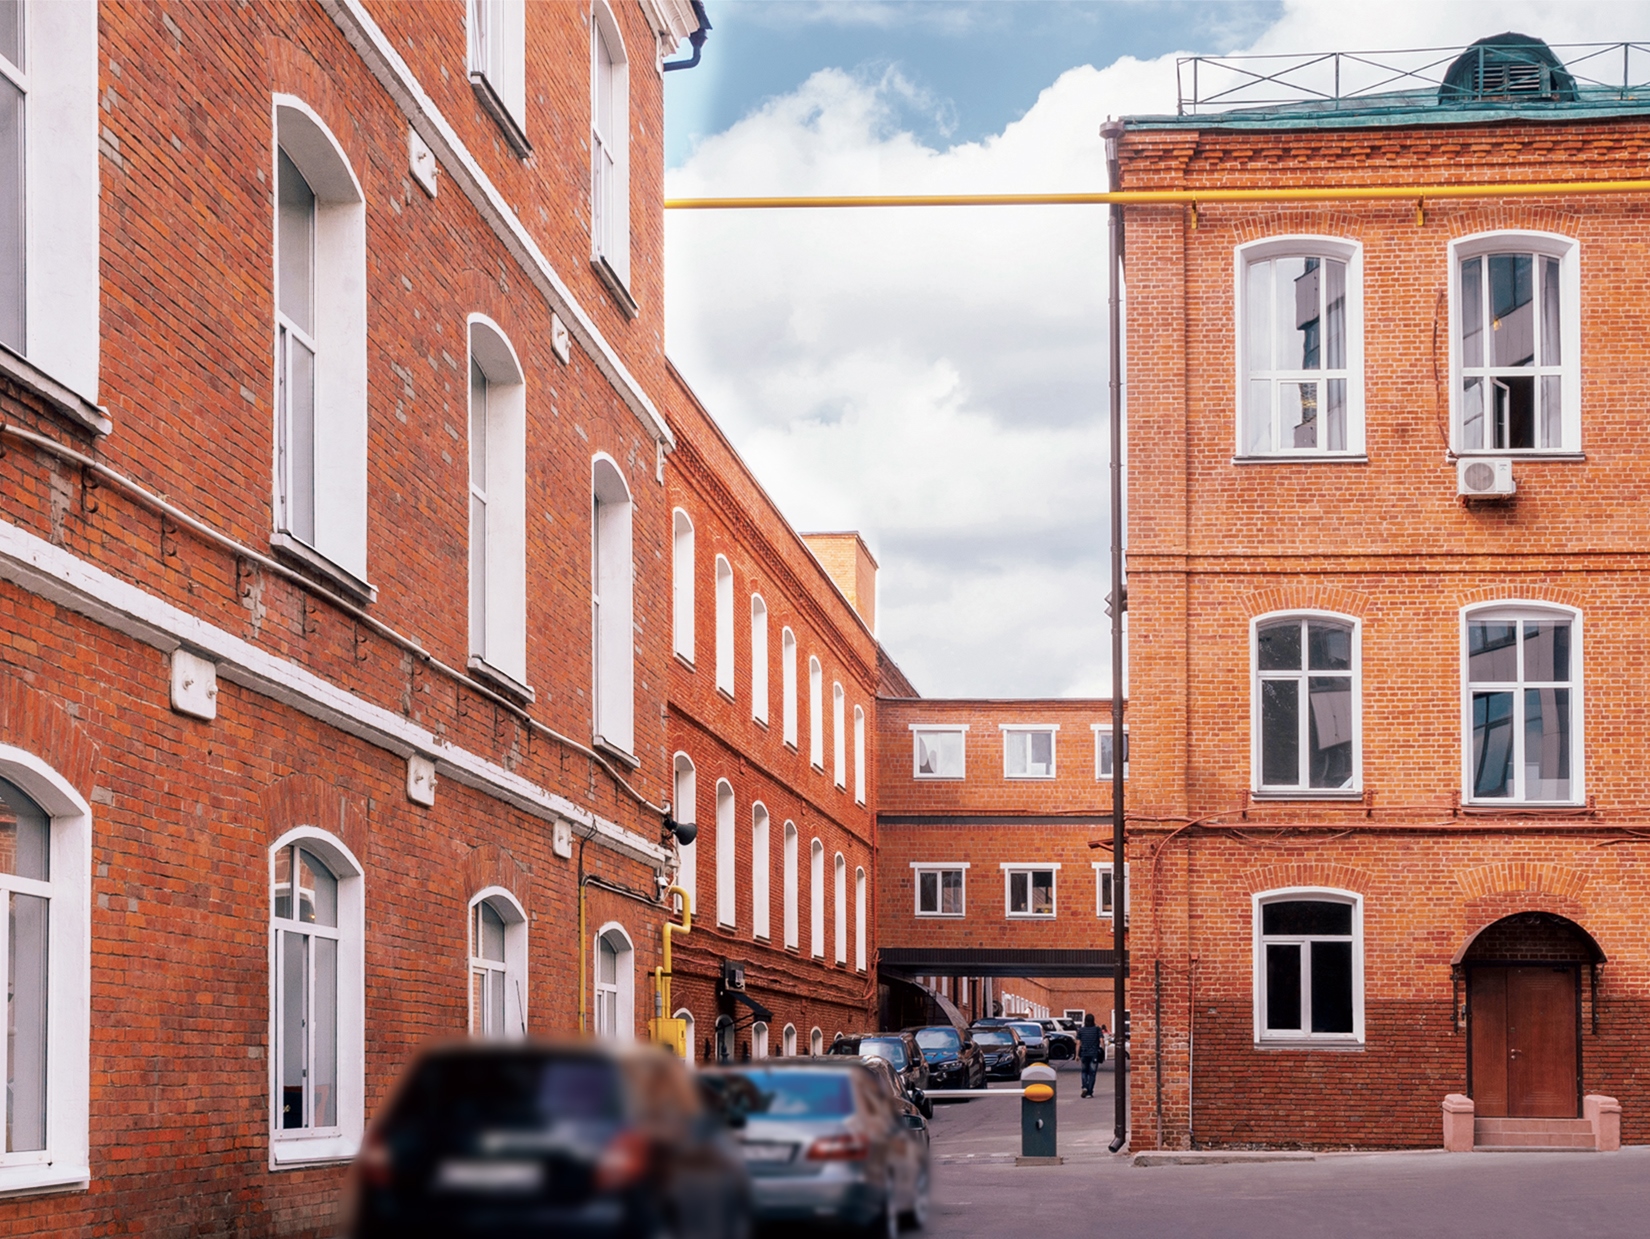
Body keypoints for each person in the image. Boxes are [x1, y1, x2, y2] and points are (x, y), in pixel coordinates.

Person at [1077, 1013, 1104, 1098]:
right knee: (1092, 1073)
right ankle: (1089, 1092)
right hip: (1094, 1054)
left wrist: (1077, 1055)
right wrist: (1102, 1051)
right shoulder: (1097, 1029)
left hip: (1084, 1053)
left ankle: (1084, 1086)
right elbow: (1102, 1041)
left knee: (1084, 1071)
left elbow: (1078, 1043)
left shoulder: (1081, 1030)